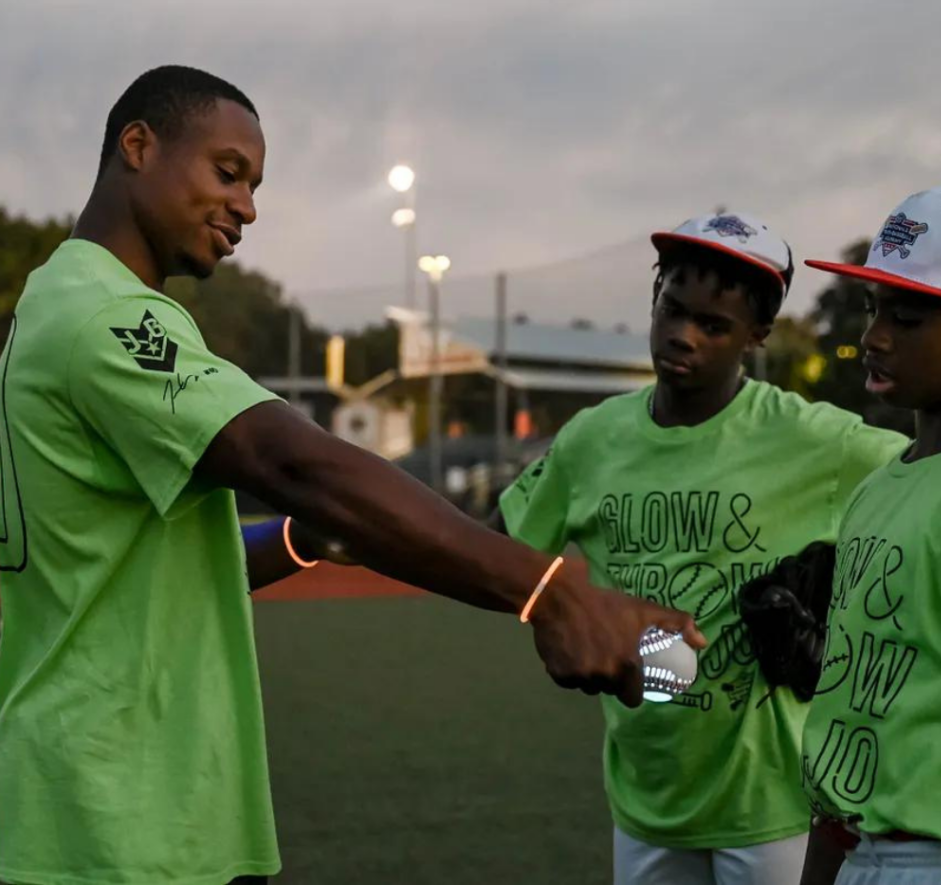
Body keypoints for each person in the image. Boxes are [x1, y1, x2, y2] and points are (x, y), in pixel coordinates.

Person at [0, 65, 703, 885]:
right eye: (227, 172)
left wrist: (298, 541)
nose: (248, 207)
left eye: (254, 185)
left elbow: (115, 563)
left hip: (86, 811)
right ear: (138, 145)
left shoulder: (44, 309)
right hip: (117, 823)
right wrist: (552, 590)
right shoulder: (108, 315)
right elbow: (288, 458)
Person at [494, 213, 907, 885]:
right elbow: (496, 548)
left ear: (758, 335)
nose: (683, 335)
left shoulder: (818, 443)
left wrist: (850, 596)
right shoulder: (592, 439)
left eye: (713, 326)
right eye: (672, 309)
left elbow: (940, 482)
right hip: (645, 795)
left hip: (773, 801)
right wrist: (562, 609)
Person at [799, 183, 941, 885]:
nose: (873, 336)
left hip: (935, 860)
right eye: (872, 310)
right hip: (850, 847)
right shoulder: (877, 488)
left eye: (909, 317)